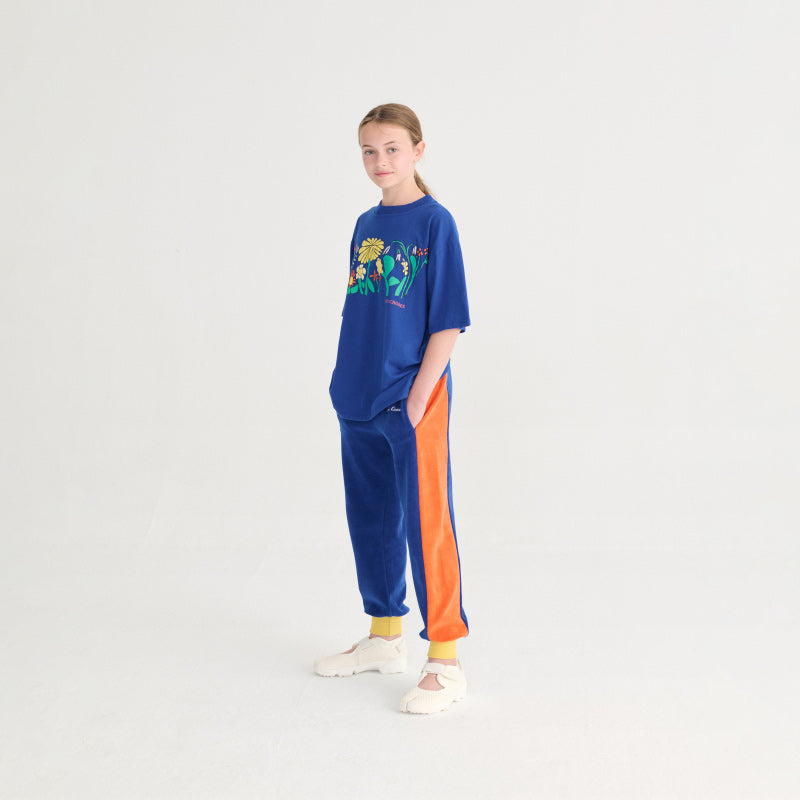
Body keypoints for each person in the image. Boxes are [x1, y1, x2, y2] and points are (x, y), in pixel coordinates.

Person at [315, 103, 471, 714]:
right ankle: (384, 638)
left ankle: (445, 661)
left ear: (417, 151)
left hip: (412, 397)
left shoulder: (436, 222)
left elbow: (448, 320)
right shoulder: (365, 224)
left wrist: (418, 396)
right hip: (357, 396)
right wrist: (344, 385)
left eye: (392, 149)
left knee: (428, 522)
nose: (380, 161)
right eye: (369, 151)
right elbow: (362, 308)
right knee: (371, 519)